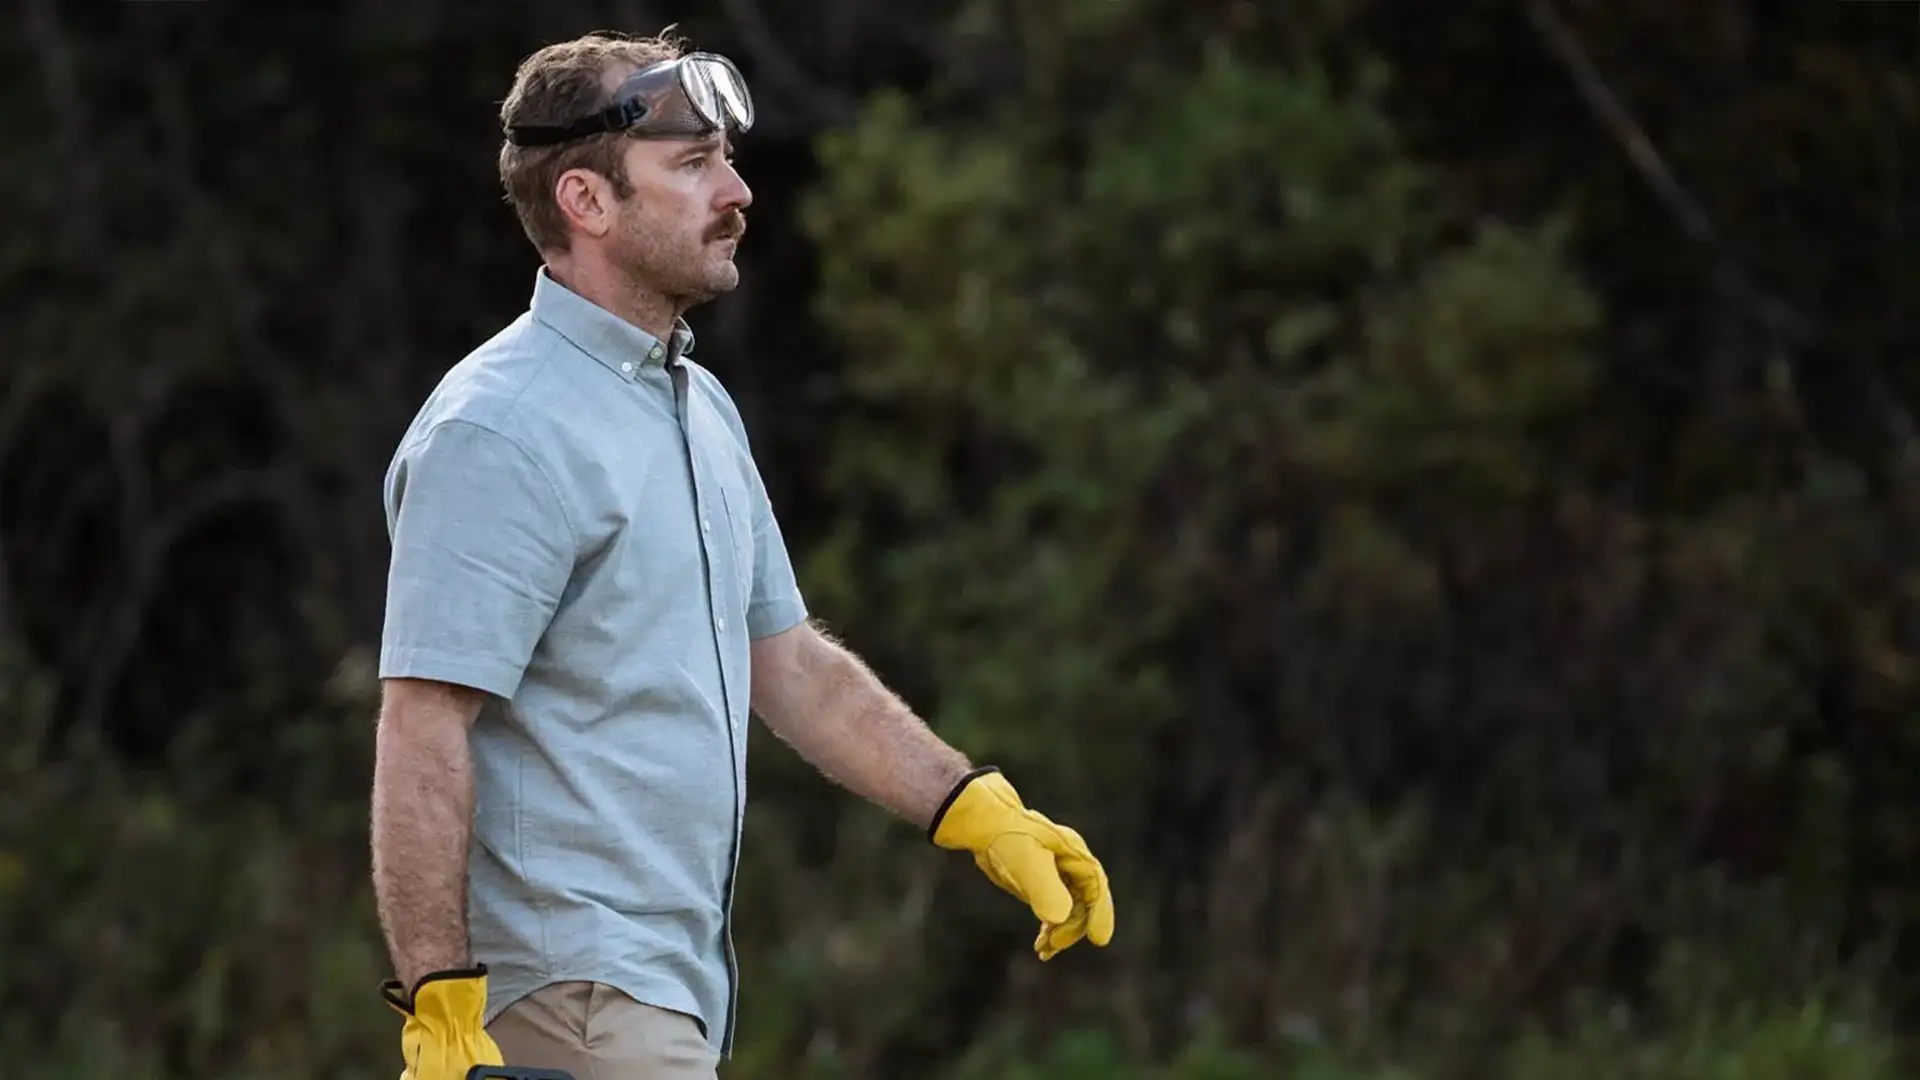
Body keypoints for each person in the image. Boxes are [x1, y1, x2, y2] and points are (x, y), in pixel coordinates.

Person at [368, 30, 1115, 1080]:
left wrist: (975, 808)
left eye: (725, 158)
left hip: (663, 995)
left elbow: (791, 663)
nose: (737, 192)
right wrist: (440, 1004)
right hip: (569, 1000)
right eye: (692, 165)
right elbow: (423, 720)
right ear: (585, 201)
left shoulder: (695, 405)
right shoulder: (500, 431)